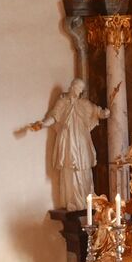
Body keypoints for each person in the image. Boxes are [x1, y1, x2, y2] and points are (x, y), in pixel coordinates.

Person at [28, 77, 111, 210]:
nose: (78, 90)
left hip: (82, 141)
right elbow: (54, 117)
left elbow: (97, 112)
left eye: (80, 88)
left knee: (84, 168)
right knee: (70, 169)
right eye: (76, 87)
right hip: (68, 140)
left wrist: (105, 113)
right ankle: (72, 201)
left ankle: (87, 200)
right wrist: (43, 124)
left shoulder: (84, 103)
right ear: (72, 87)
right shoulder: (62, 102)